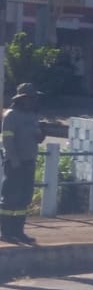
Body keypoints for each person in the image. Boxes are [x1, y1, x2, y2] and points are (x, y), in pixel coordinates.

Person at [1, 83, 47, 245]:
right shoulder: (11, 115)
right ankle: (5, 232)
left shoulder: (32, 116)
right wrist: (14, 160)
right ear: (22, 99)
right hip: (15, 164)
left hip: (29, 163)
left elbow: (37, 138)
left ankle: (18, 232)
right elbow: (7, 140)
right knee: (10, 198)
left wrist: (42, 133)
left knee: (23, 199)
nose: (33, 101)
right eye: (30, 98)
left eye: (34, 98)